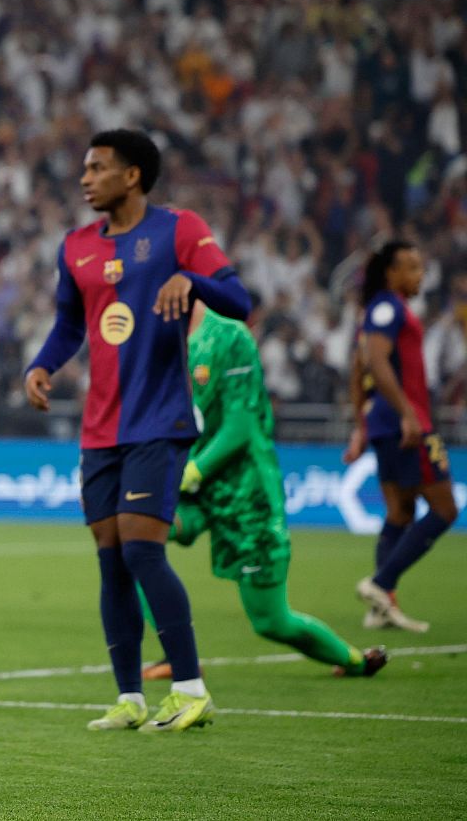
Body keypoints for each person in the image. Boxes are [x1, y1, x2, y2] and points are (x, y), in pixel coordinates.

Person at [24, 129, 250, 733]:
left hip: (161, 420)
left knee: (143, 549)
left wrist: (192, 282)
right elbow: (70, 324)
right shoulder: (75, 246)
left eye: (97, 168)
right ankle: (129, 698)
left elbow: (238, 298)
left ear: (132, 175)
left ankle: (191, 688)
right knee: (111, 562)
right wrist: (42, 364)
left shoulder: (179, 230)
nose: (84, 178)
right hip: (101, 428)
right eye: (84, 167)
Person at [142, 302, 386, 679]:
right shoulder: (155, 335)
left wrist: (191, 471)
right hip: (197, 496)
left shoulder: (229, 336)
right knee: (135, 539)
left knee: (271, 621)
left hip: (246, 494)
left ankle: (354, 660)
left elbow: (240, 426)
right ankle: (175, 654)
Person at [347, 241, 457, 631]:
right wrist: (409, 414)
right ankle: (380, 584)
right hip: (405, 425)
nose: (419, 274)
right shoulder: (386, 308)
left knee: (400, 513)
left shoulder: (381, 309)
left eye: (420, 266)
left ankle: (380, 608)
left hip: (385, 423)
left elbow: (357, 366)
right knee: (445, 509)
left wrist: (360, 429)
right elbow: (373, 362)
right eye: (410, 267)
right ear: (390, 272)